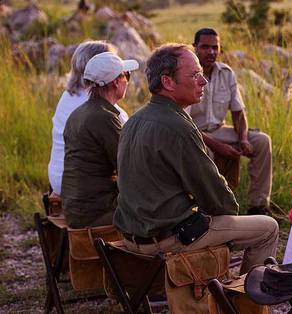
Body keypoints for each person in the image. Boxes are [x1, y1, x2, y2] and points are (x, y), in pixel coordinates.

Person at [114, 43, 279, 274]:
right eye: (194, 75)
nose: (203, 81)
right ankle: (246, 293)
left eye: (201, 74)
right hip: (168, 239)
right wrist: (229, 212)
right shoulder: (178, 126)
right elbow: (217, 198)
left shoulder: (134, 119)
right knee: (268, 228)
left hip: (133, 236)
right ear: (168, 82)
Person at [188, 27, 273, 215]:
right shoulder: (189, 74)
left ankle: (259, 206)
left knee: (262, 141)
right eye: (205, 47)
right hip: (195, 134)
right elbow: (185, 123)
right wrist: (219, 146)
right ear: (195, 47)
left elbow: (238, 112)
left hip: (219, 130)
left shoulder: (226, 73)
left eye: (215, 47)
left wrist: (243, 138)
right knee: (206, 153)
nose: (211, 52)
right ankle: (211, 210)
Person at [61, 52, 138, 228]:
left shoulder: (78, 113)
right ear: (116, 81)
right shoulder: (104, 117)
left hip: (76, 209)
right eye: (127, 76)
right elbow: (130, 167)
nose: (127, 81)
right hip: (97, 212)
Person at [48, 41, 129, 196]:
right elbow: (126, 147)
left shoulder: (69, 96)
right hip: (81, 186)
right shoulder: (97, 106)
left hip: (59, 177)